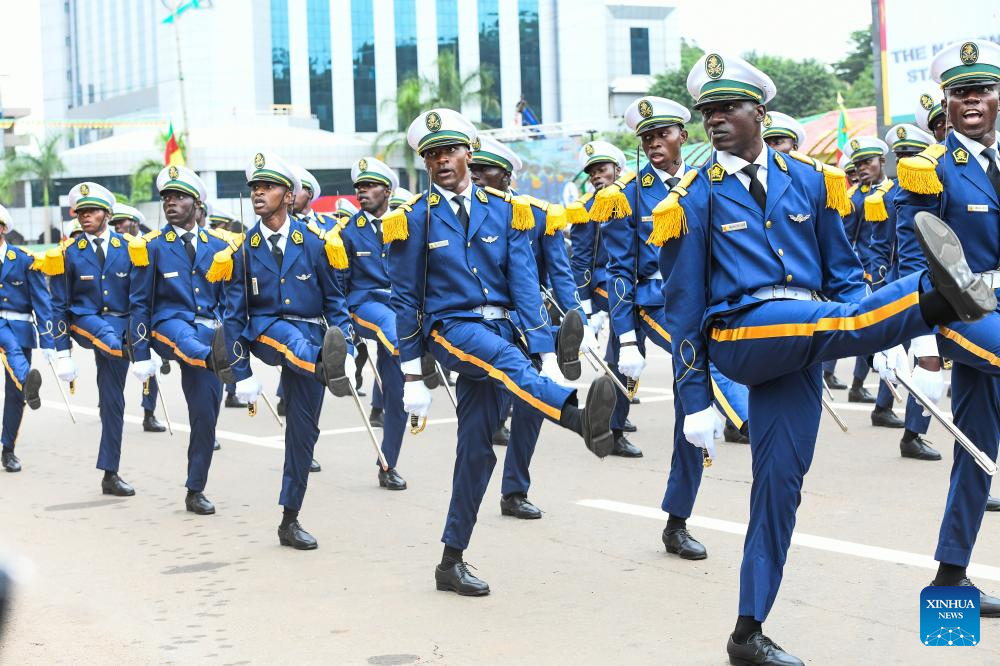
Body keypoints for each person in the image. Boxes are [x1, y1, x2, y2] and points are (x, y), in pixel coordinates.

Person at [655, 51, 994, 664]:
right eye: (708, 112)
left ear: (760, 112)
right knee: (848, 320)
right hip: (741, 331)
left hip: (808, 338)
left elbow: (841, 275)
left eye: (728, 108)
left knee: (780, 487)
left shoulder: (812, 180)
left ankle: (747, 632)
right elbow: (682, 308)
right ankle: (938, 297)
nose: (716, 120)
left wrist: (881, 344)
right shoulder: (692, 196)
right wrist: (696, 399)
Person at [386, 108, 616, 596]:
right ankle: (576, 417)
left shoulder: (505, 209)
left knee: (475, 449)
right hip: (452, 328)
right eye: (432, 154)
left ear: (468, 154)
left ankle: (450, 561)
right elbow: (405, 298)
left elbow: (524, 282)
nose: (441, 161)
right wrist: (411, 372)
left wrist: (544, 348)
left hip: (504, 326)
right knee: (507, 362)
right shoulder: (412, 219)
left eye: (449, 151)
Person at [595, 96, 749, 559]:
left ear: (683, 135)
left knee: (691, 407)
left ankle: (676, 521)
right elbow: (619, 271)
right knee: (707, 372)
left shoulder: (708, 182)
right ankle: (748, 421)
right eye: (646, 138)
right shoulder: (624, 194)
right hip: (656, 305)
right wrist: (625, 338)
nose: (654, 143)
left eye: (662, 134)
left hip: (709, 301)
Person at [895, 38, 1000, 611]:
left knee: (977, 451)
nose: (972, 100)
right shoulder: (929, 169)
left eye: (982, 90)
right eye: (961, 93)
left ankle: (950, 582)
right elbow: (914, 260)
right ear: (947, 104)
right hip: (961, 310)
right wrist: (919, 342)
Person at [219, 151, 357, 549]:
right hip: (267, 332)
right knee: (291, 340)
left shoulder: (316, 244)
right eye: (255, 188)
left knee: (304, 432)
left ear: (289, 195)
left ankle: (289, 519)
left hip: (314, 337)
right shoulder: (242, 251)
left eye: (268, 187)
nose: (258, 193)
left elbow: (335, 304)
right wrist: (241, 373)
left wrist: (347, 346)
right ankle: (325, 366)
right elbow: (233, 316)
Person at [469, 135, 601, 519]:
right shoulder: (463, 214)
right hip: (480, 324)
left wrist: (581, 321)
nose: (474, 176)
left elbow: (560, 273)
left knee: (530, 405)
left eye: (483, 170)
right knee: (485, 411)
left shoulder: (538, 213)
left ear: (506, 176)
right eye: (472, 169)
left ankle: (514, 490)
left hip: (527, 323)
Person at [128, 166, 240, 515]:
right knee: (185, 337)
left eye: (179, 197)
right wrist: (140, 353)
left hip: (210, 332)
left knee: (205, 416)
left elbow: (231, 301)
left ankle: (195, 489)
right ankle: (213, 358)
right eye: (166, 198)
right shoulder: (151, 246)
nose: (171, 203)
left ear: (197, 204)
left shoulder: (220, 246)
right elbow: (139, 303)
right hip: (168, 325)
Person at [50, 182, 140, 496]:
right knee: (105, 335)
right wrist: (63, 353)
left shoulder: (130, 247)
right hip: (86, 321)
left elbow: (140, 298)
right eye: (81, 212)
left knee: (113, 401)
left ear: (107, 214)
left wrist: (145, 340)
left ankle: (110, 473)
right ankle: (128, 349)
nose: (85, 217)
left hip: (122, 326)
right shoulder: (68, 253)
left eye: (92, 211)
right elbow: (59, 306)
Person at [333, 156, 409, 490]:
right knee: (393, 326)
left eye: (370, 186)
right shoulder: (346, 232)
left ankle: (387, 465)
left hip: (400, 309)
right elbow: (339, 286)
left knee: (399, 397)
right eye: (359, 187)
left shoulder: (405, 224)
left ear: (387, 190)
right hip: (364, 306)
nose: (362, 192)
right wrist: (344, 332)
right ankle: (416, 357)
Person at [568, 141, 637, 447]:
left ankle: (616, 412)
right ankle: (612, 424)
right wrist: (586, 308)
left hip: (635, 282)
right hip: (603, 283)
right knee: (628, 340)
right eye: (592, 172)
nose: (596, 176)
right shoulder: (585, 207)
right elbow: (581, 259)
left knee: (627, 350)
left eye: (602, 169)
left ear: (617, 170)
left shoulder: (632, 195)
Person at [843, 136, 906, 428]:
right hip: (873, 277)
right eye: (858, 164)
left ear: (882, 161)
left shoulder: (894, 191)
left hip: (898, 272)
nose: (862, 168)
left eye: (867, 162)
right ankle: (881, 404)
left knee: (881, 339)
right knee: (888, 339)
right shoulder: (856, 198)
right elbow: (846, 241)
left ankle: (863, 389)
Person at [0, 204, 52, 473]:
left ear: (2, 228)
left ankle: (8, 449)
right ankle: (26, 378)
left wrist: (49, 341)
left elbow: (42, 302)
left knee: (14, 393)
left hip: (20, 326)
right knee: (9, 344)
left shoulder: (25, 259)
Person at [112, 203, 168, 433]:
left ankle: (148, 413)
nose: (117, 226)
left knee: (149, 365)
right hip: (120, 316)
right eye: (114, 223)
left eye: (121, 222)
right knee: (113, 366)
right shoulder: (116, 248)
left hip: (145, 316)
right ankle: (109, 405)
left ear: (135, 222)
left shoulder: (151, 246)